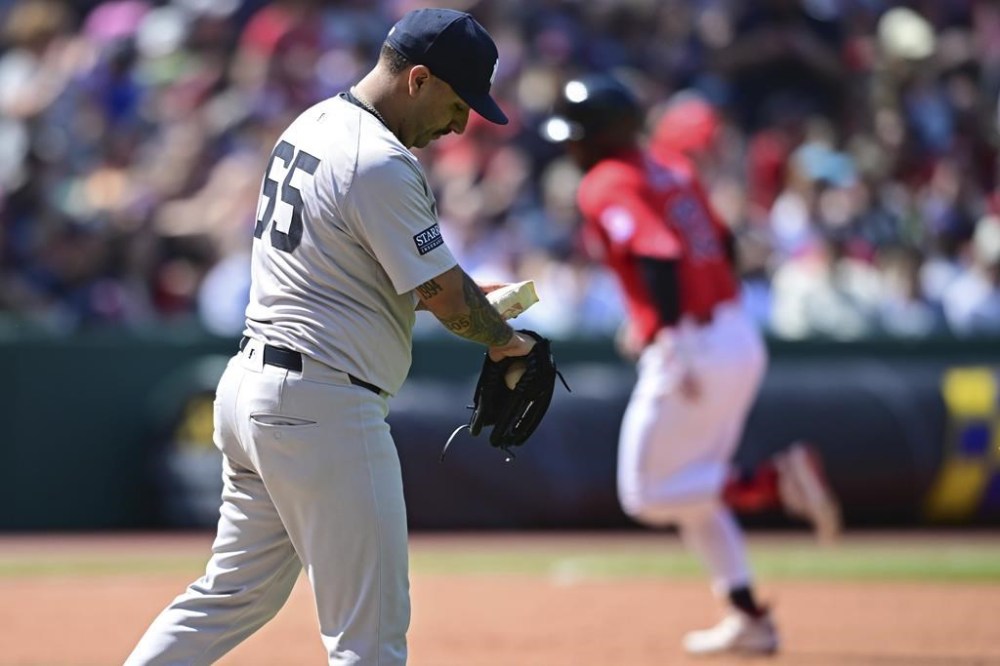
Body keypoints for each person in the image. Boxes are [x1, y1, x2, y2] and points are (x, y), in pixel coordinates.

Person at [125, 8, 535, 665]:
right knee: (368, 638)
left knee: (229, 597)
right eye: (457, 104)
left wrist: (469, 306)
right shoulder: (378, 160)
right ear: (419, 79)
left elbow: (373, 280)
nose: (459, 124)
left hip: (256, 390)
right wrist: (504, 342)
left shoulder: (313, 123)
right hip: (322, 404)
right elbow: (448, 300)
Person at [542, 73, 841, 657]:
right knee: (690, 495)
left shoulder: (606, 181)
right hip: (734, 331)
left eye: (578, 136)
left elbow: (659, 254)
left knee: (647, 494)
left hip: (694, 343)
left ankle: (774, 482)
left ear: (604, 136)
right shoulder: (669, 168)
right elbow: (722, 246)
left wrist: (665, 331)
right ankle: (749, 615)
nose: (570, 147)